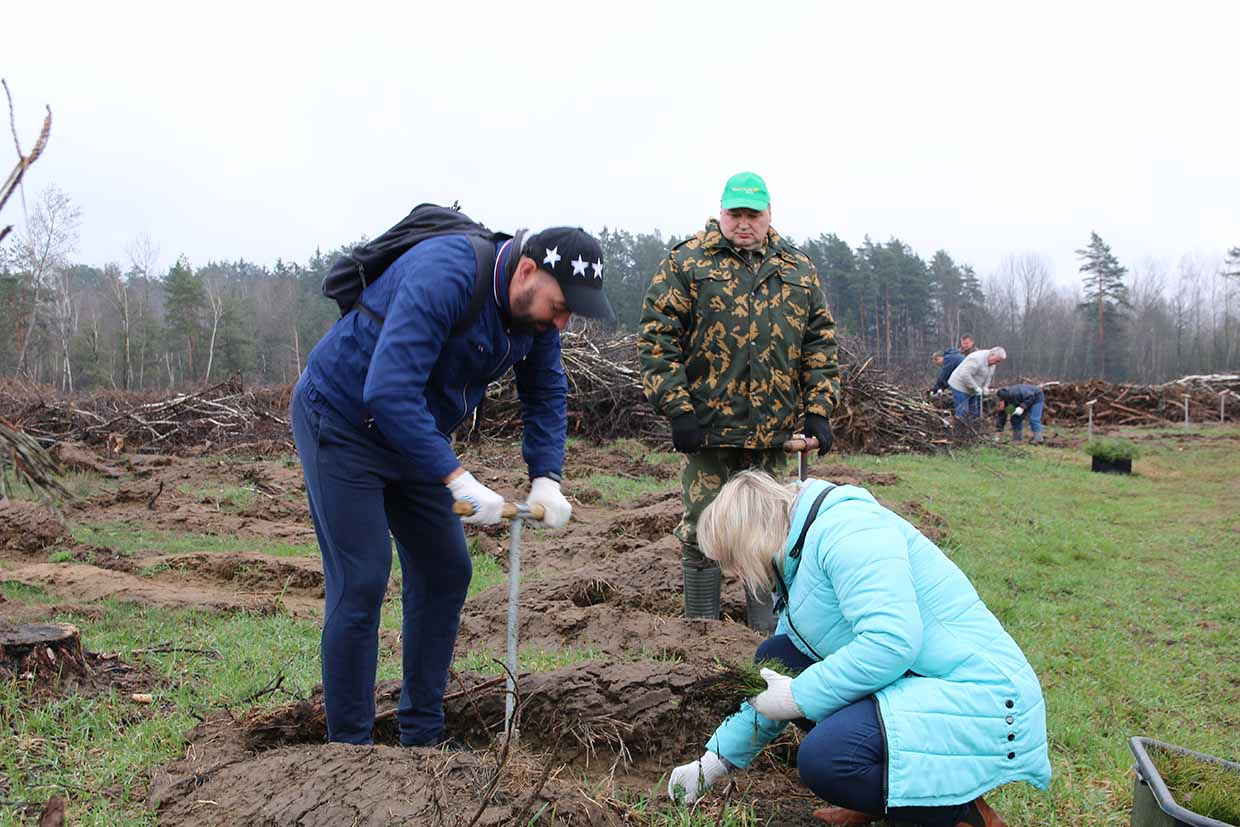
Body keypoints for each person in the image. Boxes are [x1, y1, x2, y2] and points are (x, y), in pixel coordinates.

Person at [291, 224, 613, 746]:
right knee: (363, 578)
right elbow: (388, 390)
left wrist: (546, 478)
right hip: (342, 421)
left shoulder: (536, 321)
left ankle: (422, 734)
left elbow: (547, 394)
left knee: (446, 570)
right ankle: (349, 751)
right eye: (560, 305)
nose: (563, 319)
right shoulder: (447, 274)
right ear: (528, 271)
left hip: (413, 434)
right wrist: (458, 478)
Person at [666, 471, 1051, 827]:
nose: (736, 573)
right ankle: (880, 794)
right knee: (780, 654)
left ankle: (964, 814)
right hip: (920, 678)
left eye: (733, 559)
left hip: (980, 694)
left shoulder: (850, 534)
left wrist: (798, 696)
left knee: (828, 761)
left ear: (749, 536)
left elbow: (891, 643)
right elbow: (777, 683)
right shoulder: (796, 558)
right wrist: (711, 763)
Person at [637, 171, 841, 627]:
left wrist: (819, 410)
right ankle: (702, 631)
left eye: (753, 215)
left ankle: (764, 633)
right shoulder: (687, 262)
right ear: (721, 212)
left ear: (770, 215)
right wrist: (678, 409)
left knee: (769, 533)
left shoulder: (797, 269)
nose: (743, 224)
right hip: (707, 431)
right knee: (702, 528)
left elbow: (819, 343)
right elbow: (657, 339)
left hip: (772, 434)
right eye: (735, 214)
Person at [947, 346, 1006, 418]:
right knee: (962, 411)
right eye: (997, 361)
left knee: (974, 411)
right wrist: (976, 387)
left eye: (999, 361)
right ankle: (960, 427)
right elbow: (965, 374)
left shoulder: (992, 363)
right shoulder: (976, 359)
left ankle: (973, 427)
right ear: (992, 354)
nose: (997, 363)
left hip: (973, 389)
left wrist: (985, 387)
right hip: (960, 385)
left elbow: (989, 377)